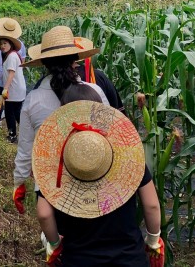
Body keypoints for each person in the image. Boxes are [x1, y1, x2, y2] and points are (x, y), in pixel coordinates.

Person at [33, 93, 164, 267]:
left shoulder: (56, 165)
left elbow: (43, 213)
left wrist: (55, 244)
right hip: (129, 258)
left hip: (78, 260)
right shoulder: (129, 158)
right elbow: (152, 205)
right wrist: (153, 240)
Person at [12, 26, 109, 215]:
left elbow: (25, 149)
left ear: (44, 64)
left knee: (57, 237)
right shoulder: (94, 91)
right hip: (93, 174)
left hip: (52, 186)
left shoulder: (33, 100)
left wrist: (19, 182)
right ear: (75, 60)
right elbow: (111, 133)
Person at [32, 36, 124, 113]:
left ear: (45, 63)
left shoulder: (34, 96)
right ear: (75, 56)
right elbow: (116, 117)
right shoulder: (97, 81)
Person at [0, 25, 26, 143]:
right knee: (15, 112)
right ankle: (24, 133)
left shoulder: (11, 56)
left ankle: (13, 135)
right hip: (16, 88)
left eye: (5, 43)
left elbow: (11, 74)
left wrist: (4, 91)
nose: (2, 46)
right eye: (1, 44)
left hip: (13, 89)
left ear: (11, 44)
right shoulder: (12, 55)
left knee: (11, 113)